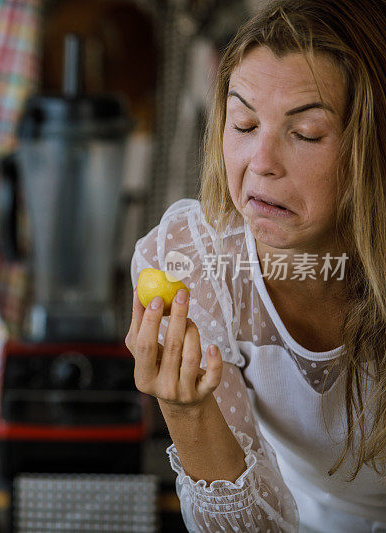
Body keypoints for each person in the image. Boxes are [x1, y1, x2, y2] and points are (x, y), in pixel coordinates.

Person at [125, 0, 386, 531]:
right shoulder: (191, 260)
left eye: (306, 134)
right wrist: (186, 410)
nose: (260, 163)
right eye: (243, 124)